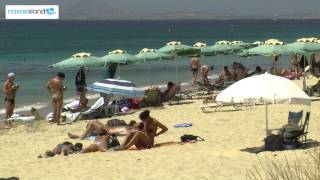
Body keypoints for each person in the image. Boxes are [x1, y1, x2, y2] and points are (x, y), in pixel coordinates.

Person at [67, 120, 142, 139]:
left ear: (137, 128)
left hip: (107, 132)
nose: (135, 124)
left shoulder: (131, 131)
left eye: (136, 124)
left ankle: (81, 137)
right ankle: (80, 136)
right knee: (95, 121)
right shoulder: (128, 127)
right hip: (108, 129)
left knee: (93, 123)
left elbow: (125, 134)